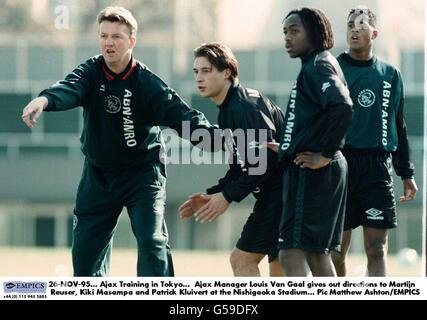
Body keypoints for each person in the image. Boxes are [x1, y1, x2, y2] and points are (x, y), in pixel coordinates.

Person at [21, 6, 215, 277]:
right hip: (98, 176)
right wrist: (44, 100)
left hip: (142, 175)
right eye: (104, 36)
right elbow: (70, 87)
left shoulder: (147, 84)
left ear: (132, 41)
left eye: (116, 37)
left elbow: (183, 117)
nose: (108, 43)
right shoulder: (91, 71)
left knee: (152, 242)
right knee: (85, 259)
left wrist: (223, 140)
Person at [178, 42, 285, 276]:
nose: (199, 78)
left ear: (227, 72)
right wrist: (215, 193)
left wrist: (227, 196)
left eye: (206, 71)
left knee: (241, 260)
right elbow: (241, 166)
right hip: (279, 195)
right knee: (280, 271)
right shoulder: (229, 109)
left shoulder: (244, 107)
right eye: (196, 71)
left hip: (284, 196)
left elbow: (265, 161)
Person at [331, 6, 418, 276]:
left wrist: (406, 172)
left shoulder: (390, 75)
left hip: (377, 170)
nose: (355, 29)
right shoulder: (332, 68)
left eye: (361, 24)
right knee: (335, 251)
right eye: (350, 25)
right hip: (340, 167)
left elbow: (398, 125)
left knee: (377, 249)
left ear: (374, 33)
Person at [268, 7, 353, 276]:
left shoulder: (317, 65)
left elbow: (342, 107)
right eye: (285, 32)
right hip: (318, 168)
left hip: (313, 171)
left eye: (295, 31)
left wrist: (325, 153)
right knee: (317, 253)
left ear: (314, 33)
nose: (287, 38)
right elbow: (316, 117)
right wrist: (287, 146)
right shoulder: (316, 64)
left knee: (291, 252)